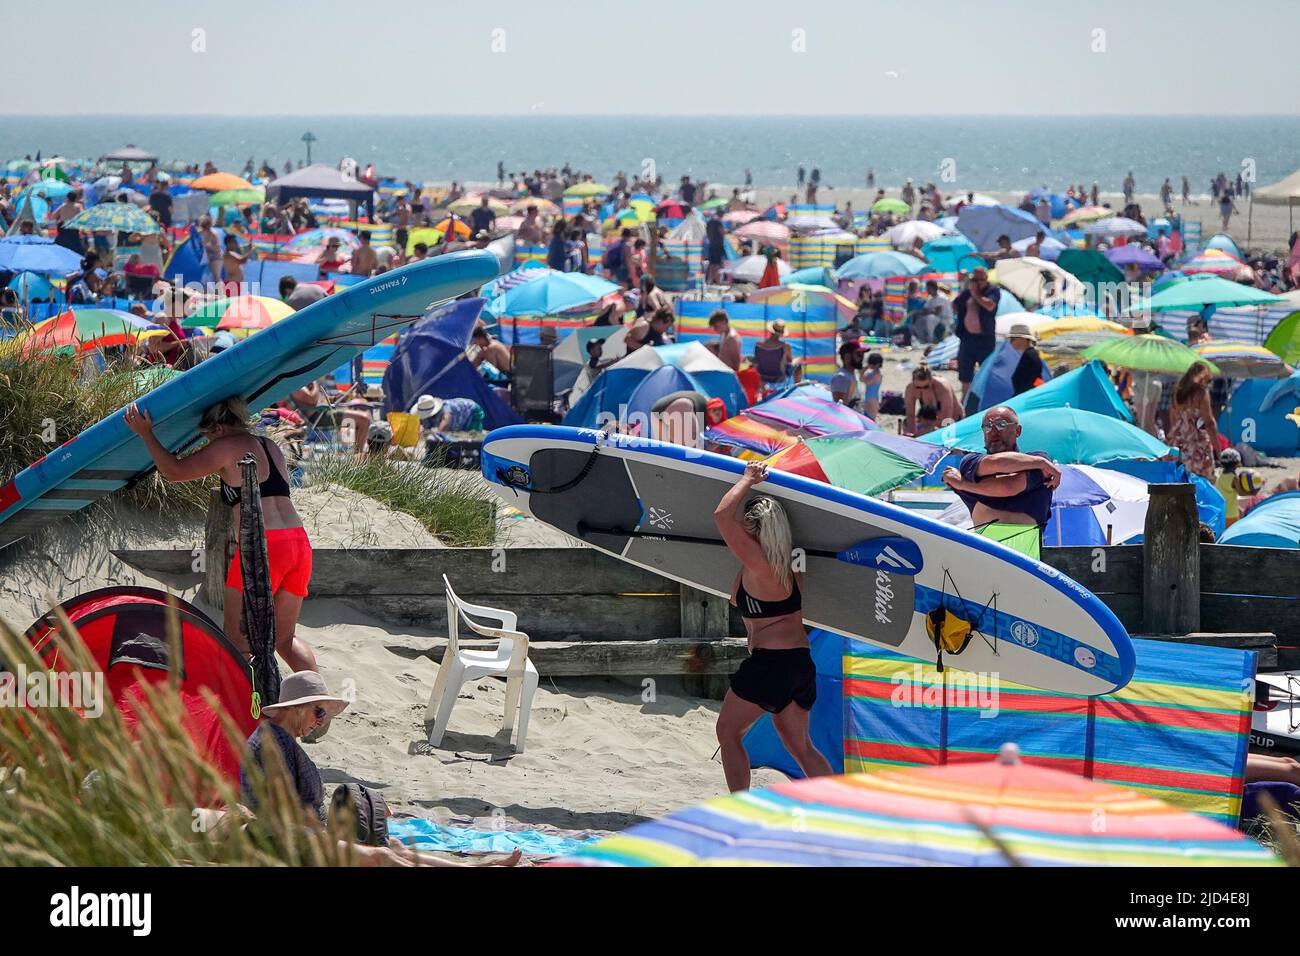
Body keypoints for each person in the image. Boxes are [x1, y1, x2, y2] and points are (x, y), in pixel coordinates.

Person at [124, 397, 317, 671]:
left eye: (205, 435)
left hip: (262, 547)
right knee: (285, 639)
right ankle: (318, 706)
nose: (206, 442)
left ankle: (241, 707)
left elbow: (174, 471)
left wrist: (147, 434)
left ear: (217, 428)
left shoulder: (225, 446)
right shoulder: (270, 445)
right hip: (298, 542)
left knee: (237, 641)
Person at [712, 461, 832, 793]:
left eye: (745, 526)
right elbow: (743, 598)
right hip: (800, 665)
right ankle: (843, 808)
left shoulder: (758, 562)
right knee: (801, 747)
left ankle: (740, 808)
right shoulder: (789, 568)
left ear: (753, 527)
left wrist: (747, 480)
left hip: (770, 666)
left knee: (727, 732)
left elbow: (722, 515)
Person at [941, 406, 1061, 560]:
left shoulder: (1039, 458)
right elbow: (997, 465)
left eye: (1001, 425)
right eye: (988, 426)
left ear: (1017, 431)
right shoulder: (970, 462)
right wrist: (1040, 464)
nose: (993, 431)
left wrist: (964, 484)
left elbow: (1010, 486)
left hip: (1028, 560)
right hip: (986, 556)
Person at [951, 267, 1001, 402]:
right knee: (965, 373)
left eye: (980, 280)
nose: (977, 283)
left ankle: (986, 399)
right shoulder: (967, 293)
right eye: (974, 280)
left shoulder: (992, 291)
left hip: (984, 339)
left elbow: (990, 305)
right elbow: (954, 305)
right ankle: (965, 400)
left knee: (986, 371)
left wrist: (976, 295)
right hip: (967, 338)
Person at [1167, 361, 1220, 479]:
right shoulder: (1201, 393)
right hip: (1197, 442)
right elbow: (1209, 422)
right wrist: (1218, 449)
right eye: (1208, 380)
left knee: (1180, 479)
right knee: (1201, 481)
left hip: (1179, 440)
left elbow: (1173, 417)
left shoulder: (1178, 391)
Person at [903, 362, 960, 436]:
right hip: (931, 418)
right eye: (918, 387)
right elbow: (910, 413)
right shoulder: (911, 388)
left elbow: (947, 415)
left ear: (931, 380)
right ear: (913, 382)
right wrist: (912, 434)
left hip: (952, 418)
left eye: (926, 387)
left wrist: (933, 431)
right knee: (906, 423)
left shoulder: (942, 386)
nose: (922, 390)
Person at [1007, 322, 1046, 396]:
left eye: (1012, 339)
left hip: (1027, 397)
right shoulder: (1030, 354)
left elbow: (1031, 380)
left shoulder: (1029, 356)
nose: (1010, 342)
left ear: (1022, 339)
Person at [752, 320, 795, 389]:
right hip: (778, 377)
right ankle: (796, 388)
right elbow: (789, 361)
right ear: (781, 333)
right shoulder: (785, 346)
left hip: (762, 377)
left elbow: (756, 360)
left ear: (771, 331)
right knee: (796, 363)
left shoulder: (758, 344)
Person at [1216, 448, 1242, 528]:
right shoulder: (1234, 478)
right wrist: (1252, 492)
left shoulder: (1219, 476)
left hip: (1222, 513)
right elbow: (1241, 492)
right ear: (1237, 464)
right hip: (1232, 514)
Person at [831, 341, 863, 406]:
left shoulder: (852, 374)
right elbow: (840, 407)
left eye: (862, 354)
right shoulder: (841, 377)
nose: (861, 357)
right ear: (847, 357)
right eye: (858, 354)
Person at [706, 209, 726, 284]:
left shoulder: (709, 222)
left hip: (711, 245)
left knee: (711, 264)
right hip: (718, 245)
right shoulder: (718, 222)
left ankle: (710, 280)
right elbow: (722, 232)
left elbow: (707, 233)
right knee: (718, 264)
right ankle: (717, 280)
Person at [861, 351, 883, 419]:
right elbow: (862, 379)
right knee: (865, 418)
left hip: (873, 399)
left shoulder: (878, 375)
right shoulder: (871, 373)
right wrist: (863, 370)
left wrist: (863, 370)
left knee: (870, 419)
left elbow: (867, 382)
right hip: (868, 398)